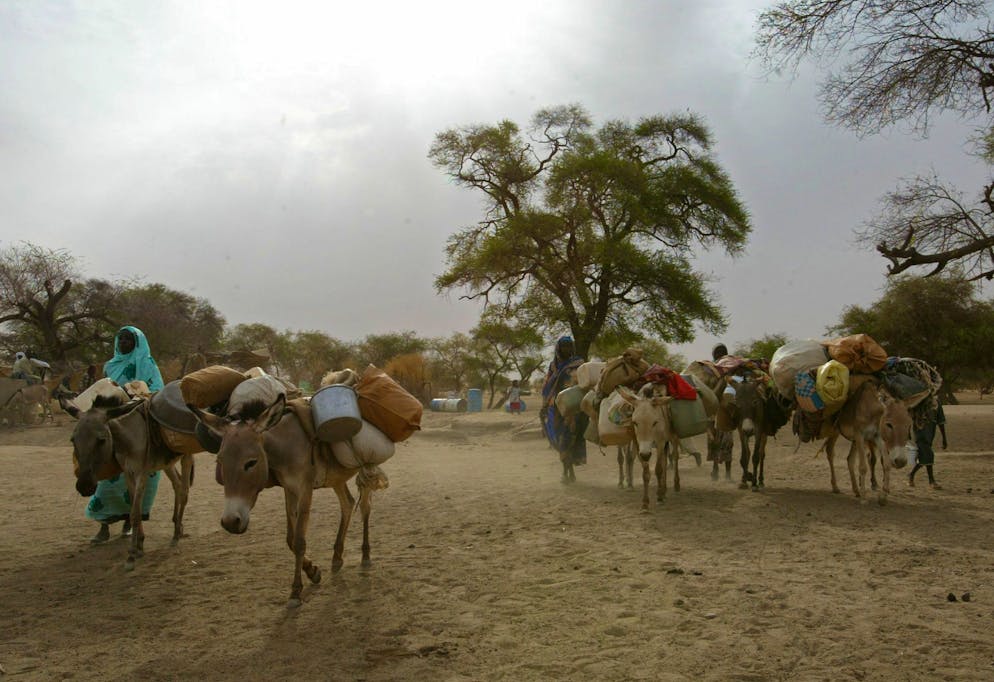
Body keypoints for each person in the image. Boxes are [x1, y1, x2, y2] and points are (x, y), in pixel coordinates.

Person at [86, 326, 165, 544]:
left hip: (137, 418)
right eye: (121, 340)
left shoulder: (147, 363)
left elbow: (157, 388)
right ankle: (103, 526)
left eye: (129, 340)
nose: (124, 344)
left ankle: (130, 522)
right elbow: (101, 391)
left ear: (138, 342)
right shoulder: (110, 366)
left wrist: (132, 393)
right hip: (112, 423)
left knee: (138, 475)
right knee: (106, 475)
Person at [540, 336, 588, 466]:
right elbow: (548, 385)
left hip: (575, 403)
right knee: (560, 434)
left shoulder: (578, 363)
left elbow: (584, 381)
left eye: (568, 346)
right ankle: (565, 466)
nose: (566, 349)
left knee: (577, 431)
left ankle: (575, 460)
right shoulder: (553, 366)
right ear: (558, 348)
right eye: (564, 346)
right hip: (557, 404)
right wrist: (545, 403)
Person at [908, 401, 947, 490]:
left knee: (924, 457)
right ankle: (931, 481)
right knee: (929, 454)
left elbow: (941, 422)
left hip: (930, 434)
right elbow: (910, 416)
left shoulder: (937, 404)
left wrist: (944, 438)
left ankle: (911, 475)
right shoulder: (918, 401)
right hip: (919, 432)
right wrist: (908, 431)